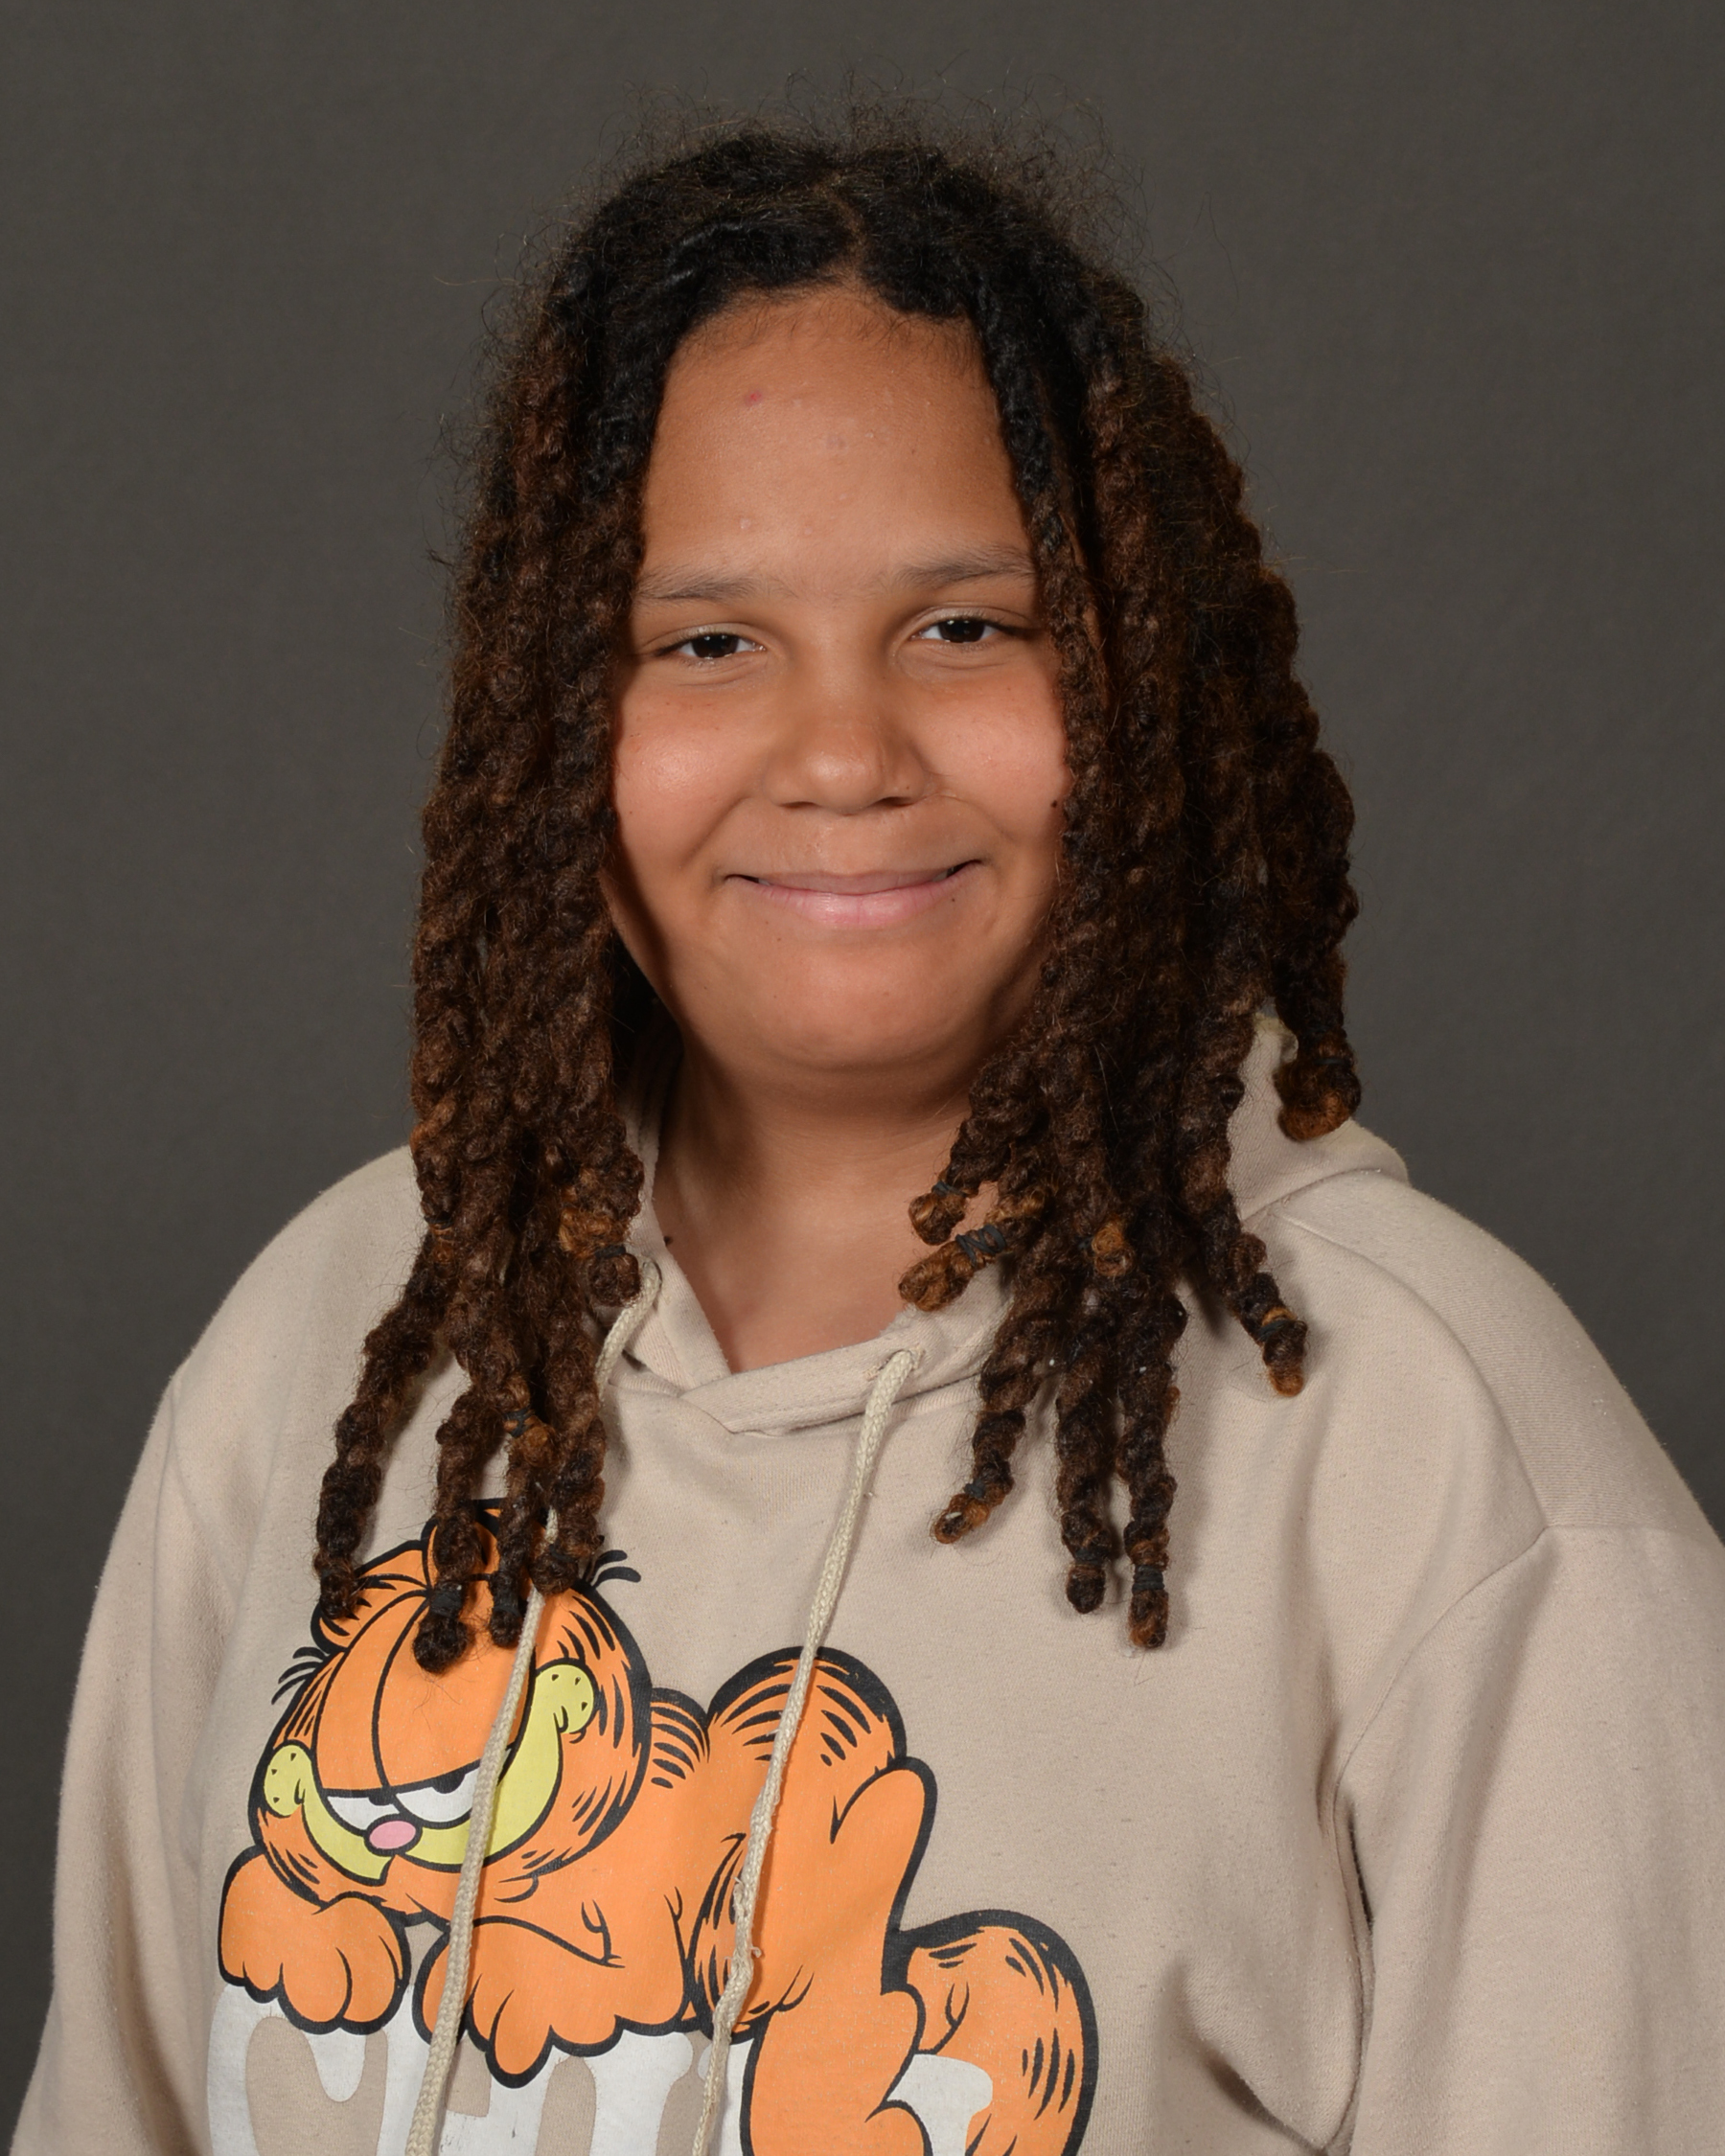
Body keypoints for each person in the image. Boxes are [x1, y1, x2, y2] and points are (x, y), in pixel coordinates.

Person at [14, 121, 1725, 2156]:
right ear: (556, 720)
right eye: (707, 641)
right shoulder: (325, 1342)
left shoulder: (1446, 1460)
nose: (843, 753)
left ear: (1137, 675)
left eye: (969, 625)